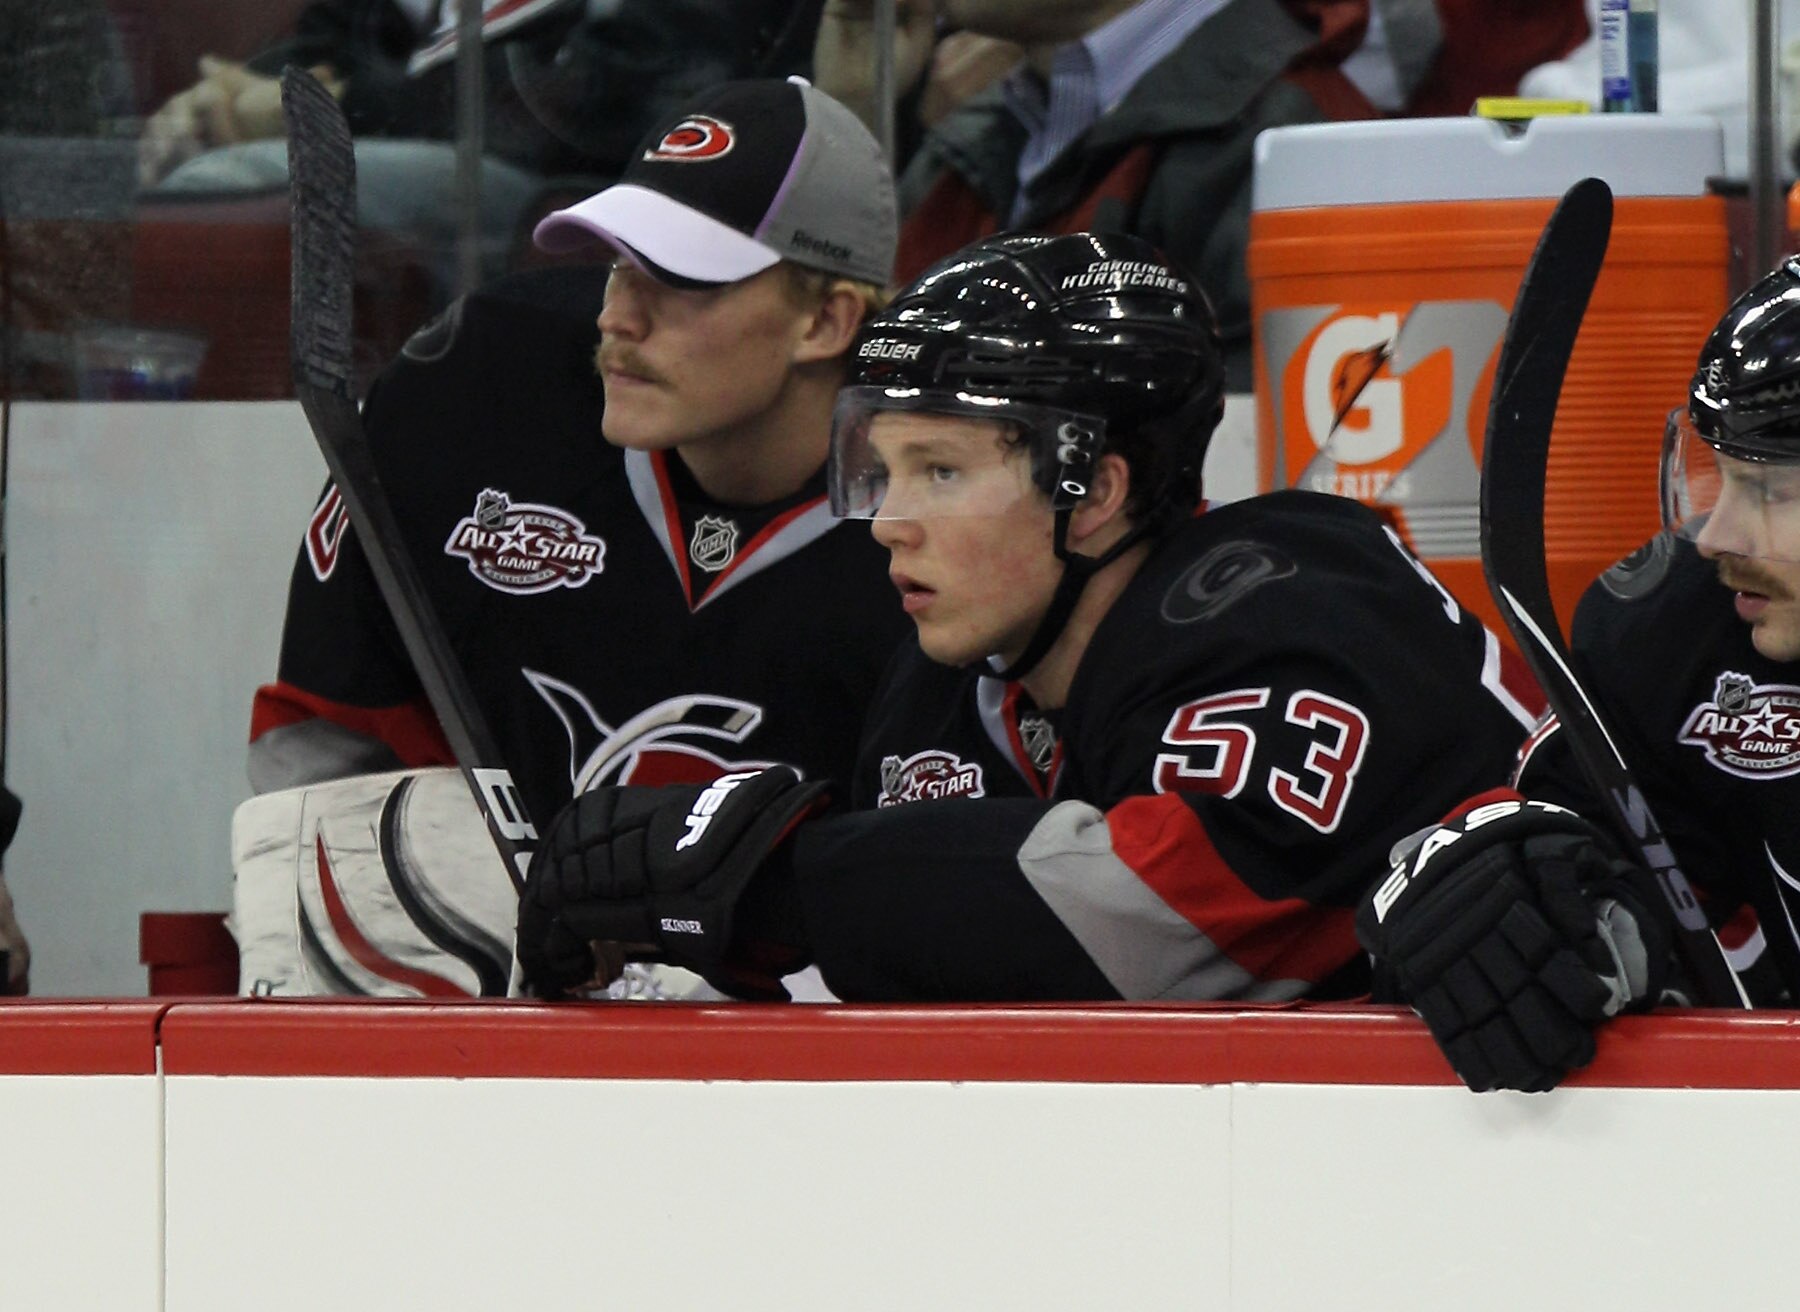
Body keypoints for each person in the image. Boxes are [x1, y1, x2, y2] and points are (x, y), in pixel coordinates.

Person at [511, 230, 1542, 1004]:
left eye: (943, 471)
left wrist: (769, 883)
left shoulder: (1295, 603)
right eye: (885, 469)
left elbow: (1158, 923)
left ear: (1091, 492)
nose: (889, 525)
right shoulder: (952, 676)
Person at [237, 75, 908, 997]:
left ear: (827, 319)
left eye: (679, 280)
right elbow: (330, 762)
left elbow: (955, 869)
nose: (616, 318)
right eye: (617, 263)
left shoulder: (962, 496)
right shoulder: (474, 400)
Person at [1354, 257, 1800, 1094]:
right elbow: (1589, 836)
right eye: (1721, 478)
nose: (1715, 537)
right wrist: (1522, 886)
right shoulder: (1683, 636)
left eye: (1768, 489)